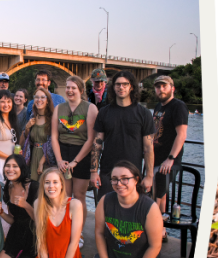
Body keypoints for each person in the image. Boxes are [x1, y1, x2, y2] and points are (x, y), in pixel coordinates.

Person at [92, 161, 164, 258]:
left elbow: (155, 246)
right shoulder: (105, 201)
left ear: (136, 180)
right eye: (114, 179)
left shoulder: (149, 208)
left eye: (125, 178)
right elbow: (99, 233)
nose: (119, 183)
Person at [91, 70, 155, 202]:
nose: (121, 87)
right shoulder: (104, 112)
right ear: (113, 87)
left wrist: (149, 176)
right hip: (108, 173)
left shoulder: (144, 113)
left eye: (125, 84)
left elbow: (148, 148)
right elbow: (97, 143)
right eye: (118, 84)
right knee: (105, 211)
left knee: (130, 214)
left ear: (131, 87)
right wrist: (93, 172)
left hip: (133, 174)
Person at [29, 168, 84, 258]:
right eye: (47, 182)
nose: (51, 186)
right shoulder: (39, 204)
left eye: (55, 182)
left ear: (61, 185)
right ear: (43, 185)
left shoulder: (75, 205)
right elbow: (41, 239)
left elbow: (74, 242)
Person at [150, 75, 189, 234]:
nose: (161, 89)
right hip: (155, 157)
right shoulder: (159, 106)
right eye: (158, 87)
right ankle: (162, 231)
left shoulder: (178, 106)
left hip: (168, 159)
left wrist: (170, 159)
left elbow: (182, 134)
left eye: (164, 86)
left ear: (172, 88)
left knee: (154, 196)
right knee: (161, 193)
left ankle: (154, 231)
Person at [52, 76, 98, 211]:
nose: (69, 90)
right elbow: (54, 136)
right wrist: (59, 160)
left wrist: (75, 162)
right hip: (63, 152)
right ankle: (66, 227)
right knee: (64, 196)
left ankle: (79, 231)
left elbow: (91, 139)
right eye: (67, 87)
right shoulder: (59, 108)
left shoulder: (90, 108)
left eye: (73, 88)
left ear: (81, 90)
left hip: (82, 155)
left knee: (79, 196)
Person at [20, 87, 56, 181]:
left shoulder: (52, 119)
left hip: (46, 159)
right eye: (36, 97)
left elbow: (52, 143)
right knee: (33, 187)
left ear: (47, 101)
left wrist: (41, 163)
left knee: (45, 184)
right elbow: (28, 139)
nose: (39, 100)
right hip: (33, 155)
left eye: (42, 97)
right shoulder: (33, 116)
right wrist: (27, 127)